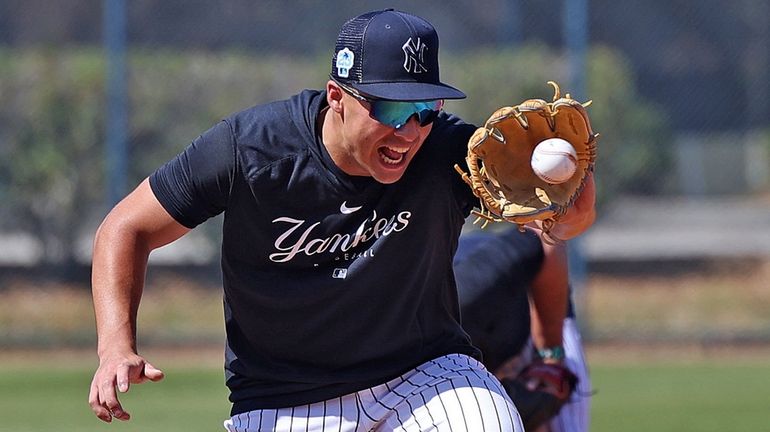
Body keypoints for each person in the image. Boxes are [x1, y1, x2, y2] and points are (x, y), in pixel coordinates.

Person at [88, 9, 595, 432]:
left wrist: (574, 191)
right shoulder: (250, 150)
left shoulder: (448, 153)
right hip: (282, 397)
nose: (410, 130)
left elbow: (563, 227)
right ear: (337, 96)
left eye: (425, 107)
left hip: (424, 375)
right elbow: (126, 227)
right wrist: (116, 346)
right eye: (391, 107)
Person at [454, 228, 591, 432]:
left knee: (553, 396)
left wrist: (551, 357)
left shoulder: (470, 289)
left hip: (535, 305)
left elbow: (545, 238)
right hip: (470, 351)